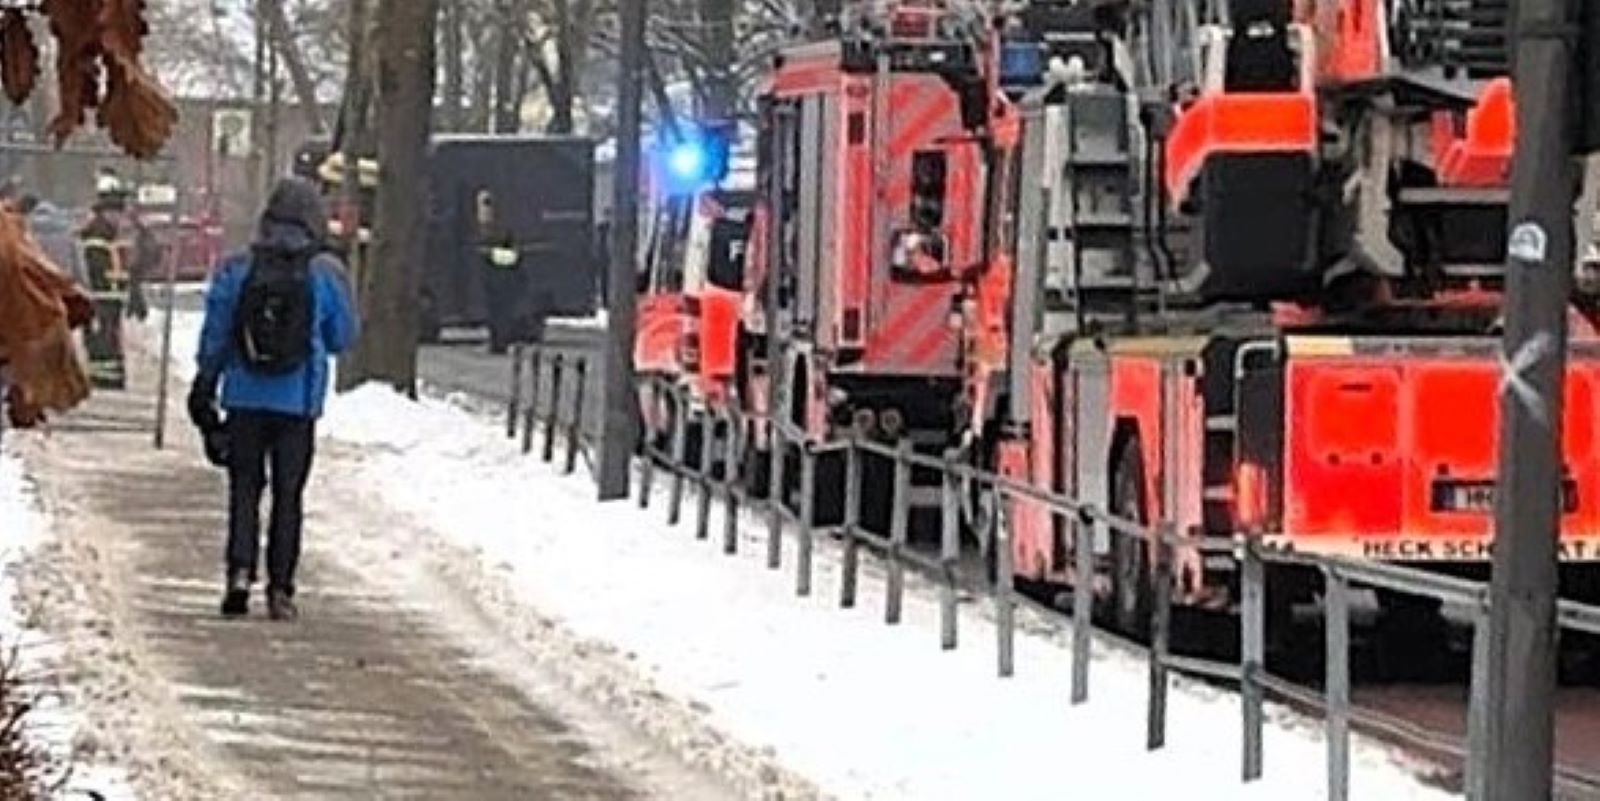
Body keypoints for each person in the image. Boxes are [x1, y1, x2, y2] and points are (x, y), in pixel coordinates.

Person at [188, 177, 358, 621]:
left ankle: (239, 573)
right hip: (298, 403)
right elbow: (342, 338)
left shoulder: (238, 268)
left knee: (244, 488)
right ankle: (281, 589)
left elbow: (217, 333)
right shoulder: (325, 272)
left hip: (244, 397)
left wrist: (208, 377)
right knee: (289, 494)